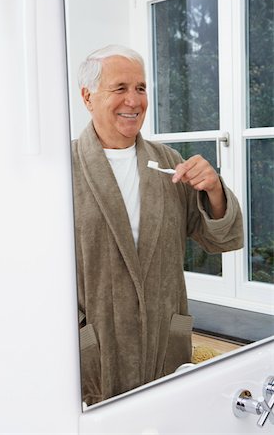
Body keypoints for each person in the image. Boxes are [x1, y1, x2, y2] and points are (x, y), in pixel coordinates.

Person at [71, 45, 243, 406]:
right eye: (120, 88)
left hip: (165, 343)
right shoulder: (63, 168)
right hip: (94, 348)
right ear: (87, 97)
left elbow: (221, 239)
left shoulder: (169, 163)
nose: (134, 101)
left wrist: (214, 188)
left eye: (141, 88)